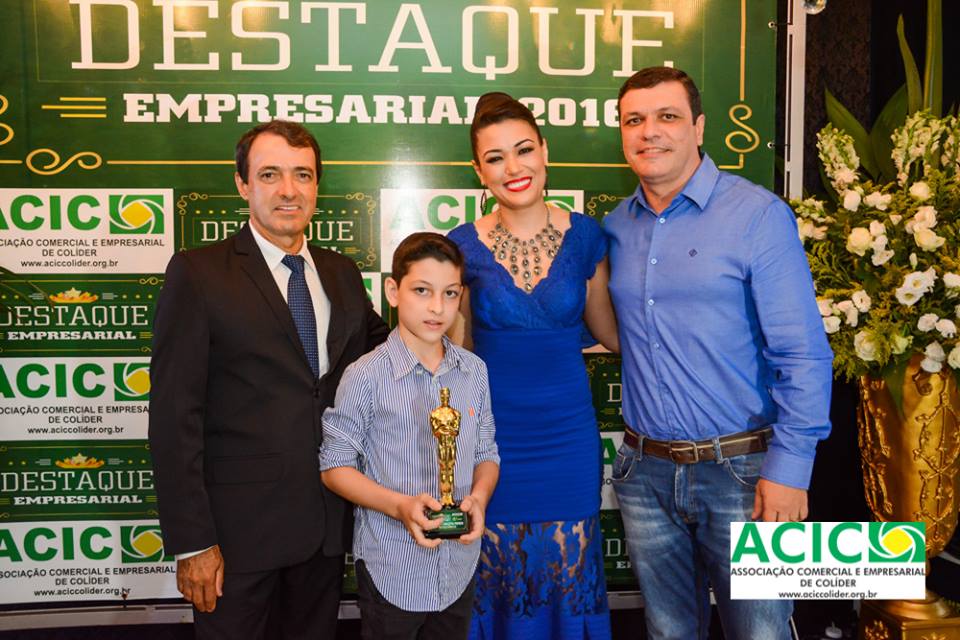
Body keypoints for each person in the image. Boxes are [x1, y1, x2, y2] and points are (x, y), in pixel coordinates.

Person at [605, 66, 833, 639]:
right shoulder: (614, 227)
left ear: (699, 127)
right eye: (634, 120)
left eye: (667, 116)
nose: (649, 131)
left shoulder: (757, 215)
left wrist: (791, 468)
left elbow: (802, 353)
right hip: (645, 473)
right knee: (668, 632)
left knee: (762, 633)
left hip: (745, 473)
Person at [148, 119, 389, 639]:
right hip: (235, 541)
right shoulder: (198, 273)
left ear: (316, 186)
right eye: (270, 174)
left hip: (325, 530)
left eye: (302, 175)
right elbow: (173, 416)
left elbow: (389, 354)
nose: (288, 190)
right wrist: (193, 542)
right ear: (242, 184)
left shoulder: (342, 273)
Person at [447, 92, 619, 639]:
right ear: (479, 171)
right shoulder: (460, 247)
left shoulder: (586, 236)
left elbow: (610, 333)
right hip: (492, 445)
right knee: (496, 579)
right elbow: (452, 353)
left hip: (567, 441)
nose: (513, 167)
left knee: (568, 576)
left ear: (545, 151)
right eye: (495, 158)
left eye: (523, 150)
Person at [319, 232, 500, 640]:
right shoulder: (365, 375)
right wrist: (400, 506)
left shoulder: (474, 371)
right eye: (422, 291)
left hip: (459, 565)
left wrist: (479, 498)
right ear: (393, 292)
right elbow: (334, 468)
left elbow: (486, 452)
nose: (437, 307)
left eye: (450, 293)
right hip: (392, 566)